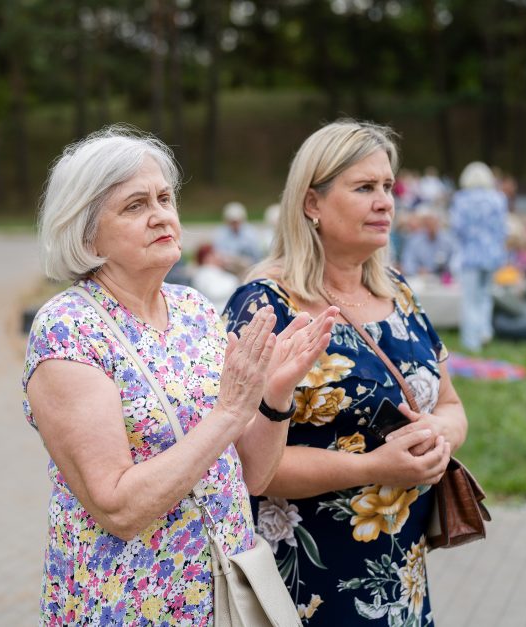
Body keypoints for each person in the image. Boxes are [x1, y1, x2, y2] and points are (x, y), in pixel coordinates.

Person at [23, 126, 337, 624]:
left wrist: (274, 395)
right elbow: (118, 507)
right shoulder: (68, 329)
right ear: (85, 232)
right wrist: (231, 411)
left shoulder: (192, 309)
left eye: (165, 198)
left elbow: (250, 477)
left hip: (220, 595)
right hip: (128, 605)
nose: (161, 215)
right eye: (134, 206)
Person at [224, 119, 460, 626]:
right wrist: (376, 467)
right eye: (364, 188)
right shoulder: (264, 307)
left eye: (388, 187)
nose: (385, 202)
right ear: (312, 203)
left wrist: (437, 436)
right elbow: (244, 464)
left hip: (403, 577)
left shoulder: (398, 292)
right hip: (309, 585)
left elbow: (451, 405)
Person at [449, 161, 509, 352]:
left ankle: (471, 340)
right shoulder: (498, 198)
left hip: (470, 255)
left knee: (470, 299)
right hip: (492, 254)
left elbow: (457, 228)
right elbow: (502, 228)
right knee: (485, 295)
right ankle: (484, 330)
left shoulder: (461, 199)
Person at [398, 209, 454, 278]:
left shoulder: (448, 240)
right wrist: (417, 270)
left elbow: (456, 258)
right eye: (428, 224)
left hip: (442, 278)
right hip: (420, 279)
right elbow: (407, 262)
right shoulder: (415, 240)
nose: (431, 226)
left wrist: (449, 270)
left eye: (433, 223)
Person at [213, 201, 263, 275]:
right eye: (232, 222)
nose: (234, 224)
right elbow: (218, 253)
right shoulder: (220, 233)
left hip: (247, 267)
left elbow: (256, 255)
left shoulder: (250, 233)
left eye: (237, 221)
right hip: (227, 267)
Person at [191, 242, 240, 313]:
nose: (219, 256)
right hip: (217, 313)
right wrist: (234, 282)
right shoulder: (204, 272)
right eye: (214, 253)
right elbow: (214, 292)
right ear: (207, 257)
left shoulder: (214, 271)